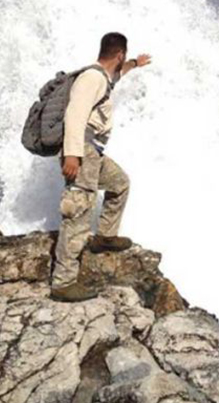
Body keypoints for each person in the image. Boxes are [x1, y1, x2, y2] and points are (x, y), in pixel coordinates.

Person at [51, 32, 151, 302]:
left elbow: (119, 75)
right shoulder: (91, 78)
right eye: (124, 57)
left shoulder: (105, 78)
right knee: (79, 211)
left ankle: (105, 236)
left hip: (93, 152)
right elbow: (75, 114)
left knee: (120, 183)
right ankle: (63, 282)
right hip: (81, 150)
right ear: (118, 54)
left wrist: (134, 64)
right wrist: (71, 155)